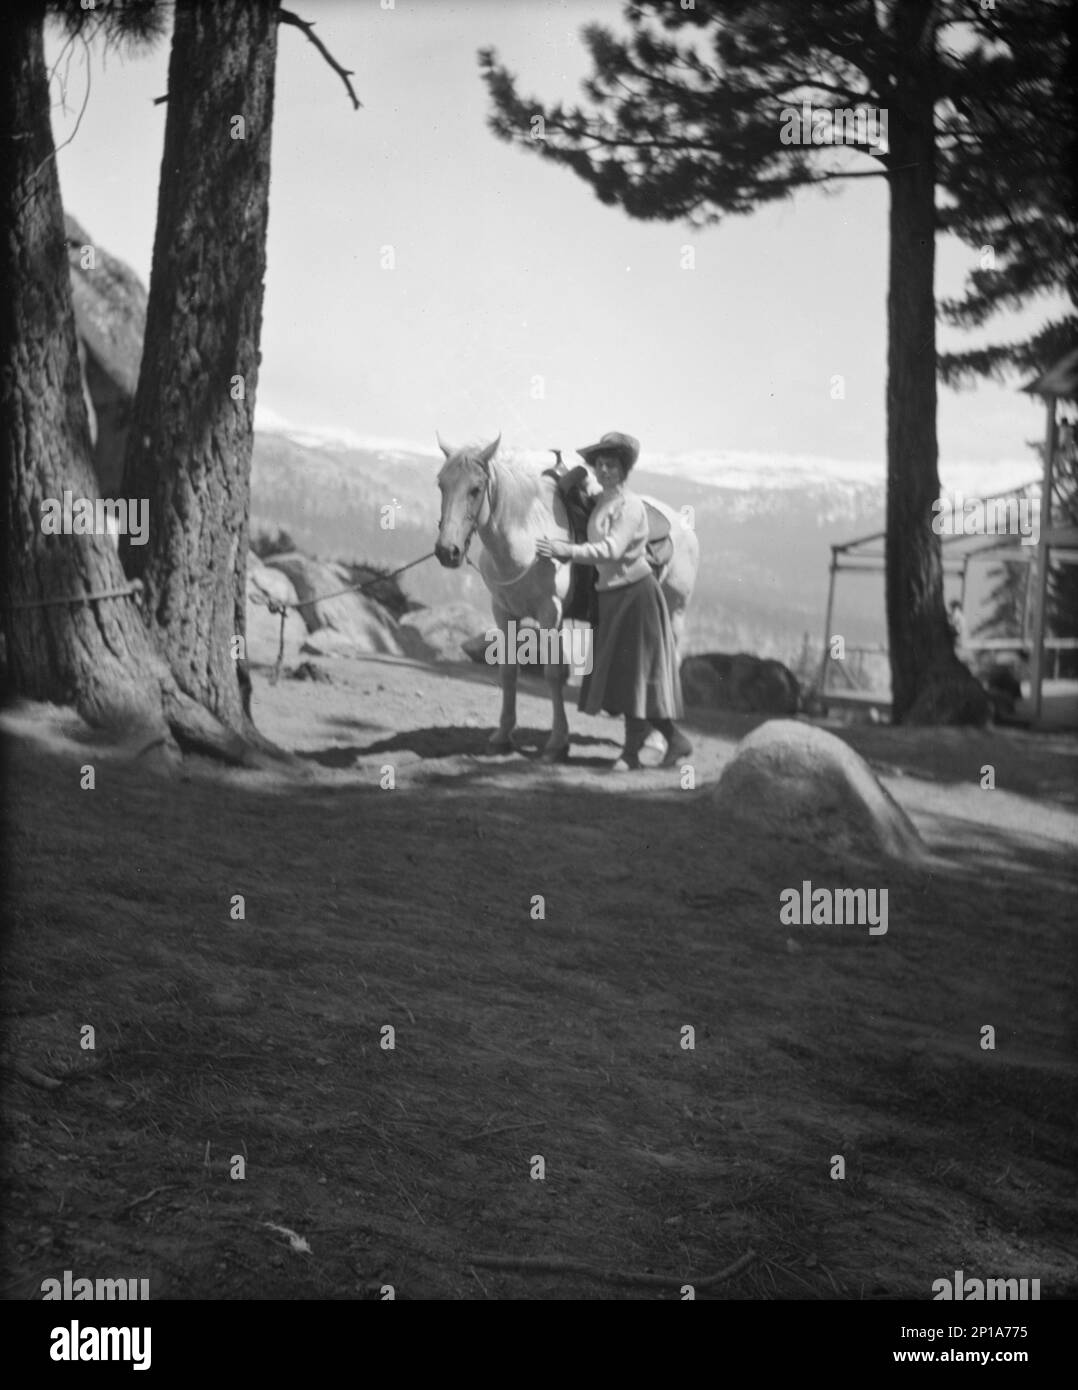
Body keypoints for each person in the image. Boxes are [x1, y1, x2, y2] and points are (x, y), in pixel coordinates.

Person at [536, 431, 691, 770]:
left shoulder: (631, 506)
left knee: (633, 676)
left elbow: (611, 549)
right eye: (600, 465)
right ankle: (675, 739)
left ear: (624, 470)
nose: (605, 471)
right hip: (611, 596)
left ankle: (631, 754)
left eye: (612, 465)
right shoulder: (604, 499)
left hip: (636, 596)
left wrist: (567, 550)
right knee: (624, 676)